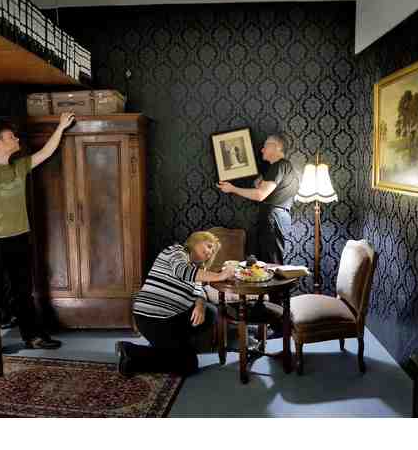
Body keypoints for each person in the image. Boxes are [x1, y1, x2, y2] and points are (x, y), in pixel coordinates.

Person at [0, 112, 75, 350]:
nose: (16, 139)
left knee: (23, 292)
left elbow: (46, 153)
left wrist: (61, 127)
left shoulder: (20, 165)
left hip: (20, 238)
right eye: (11, 137)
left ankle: (33, 337)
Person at [115, 231, 236, 377]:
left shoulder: (198, 270)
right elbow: (182, 271)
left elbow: (200, 291)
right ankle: (131, 351)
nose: (210, 252)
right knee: (188, 366)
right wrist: (220, 276)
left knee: (210, 312)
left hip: (171, 319)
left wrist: (200, 304)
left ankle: (141, 352)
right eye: (209, 246)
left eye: (213, 251)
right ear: (196, 240)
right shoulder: (176, 251)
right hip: (151, 318)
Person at [217, 133, 299, 265]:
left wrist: (232, 188)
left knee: (271, 264)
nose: (262, 150)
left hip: (273, 217)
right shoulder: (284, 167)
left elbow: (260, 195)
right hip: (278, 216)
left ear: (277, 147)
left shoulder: (279, 165)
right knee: (269, 262)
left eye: (265, 146)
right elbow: (262, 190)